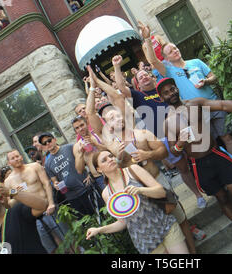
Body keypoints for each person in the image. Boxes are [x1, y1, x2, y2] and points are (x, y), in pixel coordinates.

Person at [86, 65, 201, 253]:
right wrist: (92, 87)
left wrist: (148, 155)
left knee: (180, 219)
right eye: (111, 117)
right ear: (107, 124)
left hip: (157, 180)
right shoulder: (110, 141)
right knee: (164, 226)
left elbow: (164, 152)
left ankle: (193, 252)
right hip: (138, 192)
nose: (116, 117)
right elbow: (91, 114)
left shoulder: (140, 133)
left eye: (117, 113)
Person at [158, 77, 232, 254]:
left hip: (216, 154)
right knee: (222, 198)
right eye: (166, 92)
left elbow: (222, 105)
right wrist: (180, 143)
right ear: (161, 98)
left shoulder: (194, 104)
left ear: (177, 88)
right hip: (198, 165)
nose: (171, 93)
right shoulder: (168, 122)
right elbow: (174, 152)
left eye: (172, 89)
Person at [139, 22, 232, 166]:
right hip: (196, 113)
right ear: (167, 58)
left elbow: (214, 77)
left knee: (227, 138)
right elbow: (153, 61)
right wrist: (147, 39)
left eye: (175, 48)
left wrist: (206, 81)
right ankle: (229, 171)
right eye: (170, 51)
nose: (175, 51)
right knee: (211, 145)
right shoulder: (168, 71)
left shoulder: (196, 62)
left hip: (214, 104)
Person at [111, 55, 207, 209]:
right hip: (164, 139)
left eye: (145, 75)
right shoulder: (138, 96)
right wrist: (116, 66)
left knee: (199, 158)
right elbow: (121, 88)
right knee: (183, 168)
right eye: (139, 78)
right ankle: (198, 195)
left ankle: (208, 184)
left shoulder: (164, 89)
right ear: (138, 85)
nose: (143, 77)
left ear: (151, 76)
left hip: (183, 130)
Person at [86, 150, 189, 254]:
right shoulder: (107, 193)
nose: (110, 159)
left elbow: (161, 192)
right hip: (145, 240)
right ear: (99, 169)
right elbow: (123, 222)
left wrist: (141, 190)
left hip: (164, 225)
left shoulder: (132, 170)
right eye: (104, 160)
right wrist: (99, 230)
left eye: (111, 156)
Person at [4, 149, 65, 254]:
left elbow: (46, 184)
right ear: (9, 163)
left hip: (48, 208)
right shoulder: (8, 181)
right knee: (49, 248)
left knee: (67, 238)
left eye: (17, 156)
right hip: (31, 217)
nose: (16, 159)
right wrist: (16, 193)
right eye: (13, 158)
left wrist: (51, 203)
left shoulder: (34, 167)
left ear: (21, 156)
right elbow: (10, 204)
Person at [40, 132, 96, 217]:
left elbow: (85, 160)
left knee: (98, 214)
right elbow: (54, 181)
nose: (48, 143)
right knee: (85, 221)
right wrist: (56, 185)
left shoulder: (70, 147)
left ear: (54, 140)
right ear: (43, 147)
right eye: (44, 143)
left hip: (85, 187)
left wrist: (89, 173)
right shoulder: (47, 164)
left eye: (49, 140)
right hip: (71, 196)